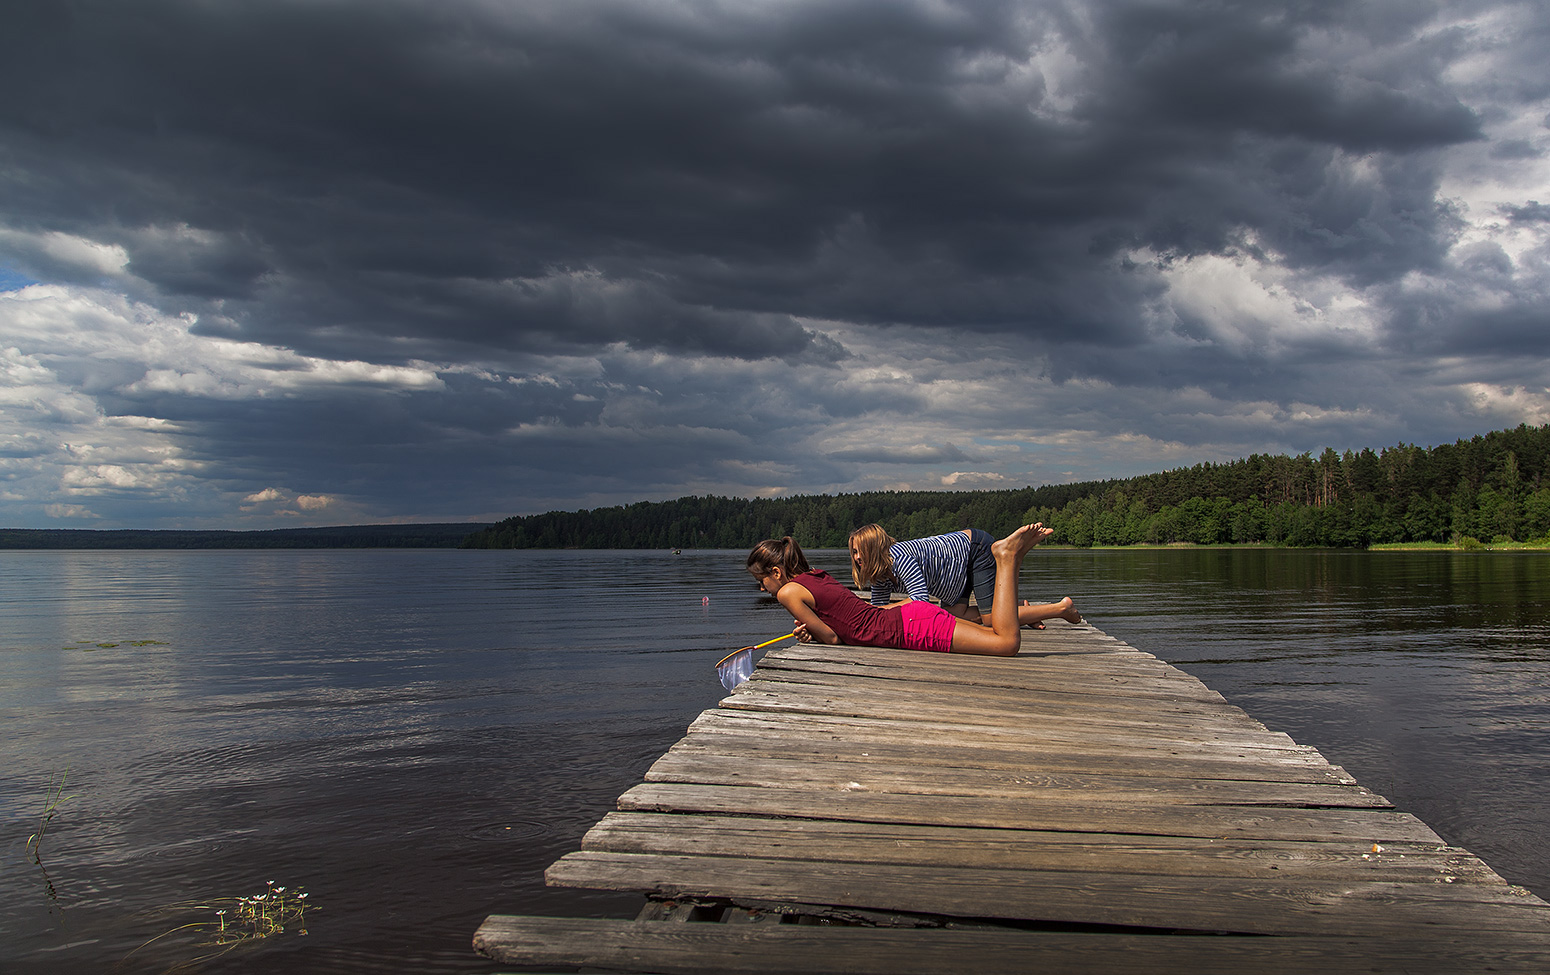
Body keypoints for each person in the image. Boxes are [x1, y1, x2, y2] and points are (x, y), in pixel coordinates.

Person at [746, 524, 1054, 657]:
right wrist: (814, 632)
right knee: (995, 631)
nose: (763, 587)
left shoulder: (788, 592)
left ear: (776, 572)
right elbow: (841, 619)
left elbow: (832, 637)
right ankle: (1014, 565)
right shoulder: (815, 576)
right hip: (913, 616)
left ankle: (1007, 558)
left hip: (908, 627)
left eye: (762, 580)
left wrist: (816, 635)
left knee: (1006, 643)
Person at [847, 524, 1081, 628]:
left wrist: (884, 610)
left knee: (991, 620)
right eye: (854, 552)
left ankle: (1061, 608)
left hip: (973, 550)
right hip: (955, 572)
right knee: (956, 616)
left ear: (875, 549)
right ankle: (1021, 609)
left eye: (861, 551)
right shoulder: (880, 574)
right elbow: (878, 608)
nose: (857, 557)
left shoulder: (899, 558)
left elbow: (920, 602)